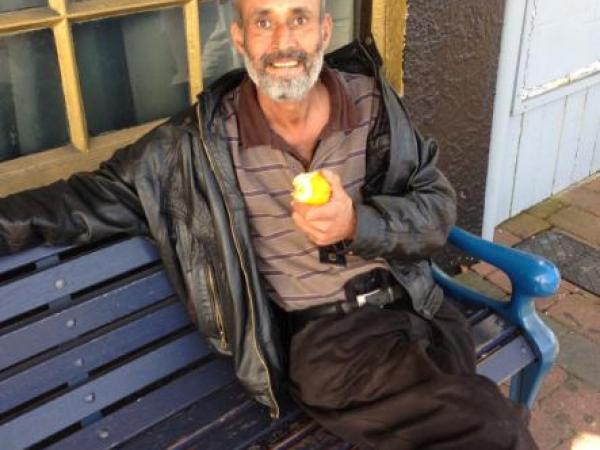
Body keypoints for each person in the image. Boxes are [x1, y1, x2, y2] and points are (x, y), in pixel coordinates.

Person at [0, 0, 538, 448]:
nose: (283, 41)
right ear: (240, 36)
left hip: (420, 305)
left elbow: (437, 208)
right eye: (264, 21)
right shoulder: (197, 147)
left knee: (457, 419)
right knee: (493, 428)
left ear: (325, 29)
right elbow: (80, 201)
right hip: (335, 342)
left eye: (299, 18)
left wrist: (359, 222)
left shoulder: (372, 103)